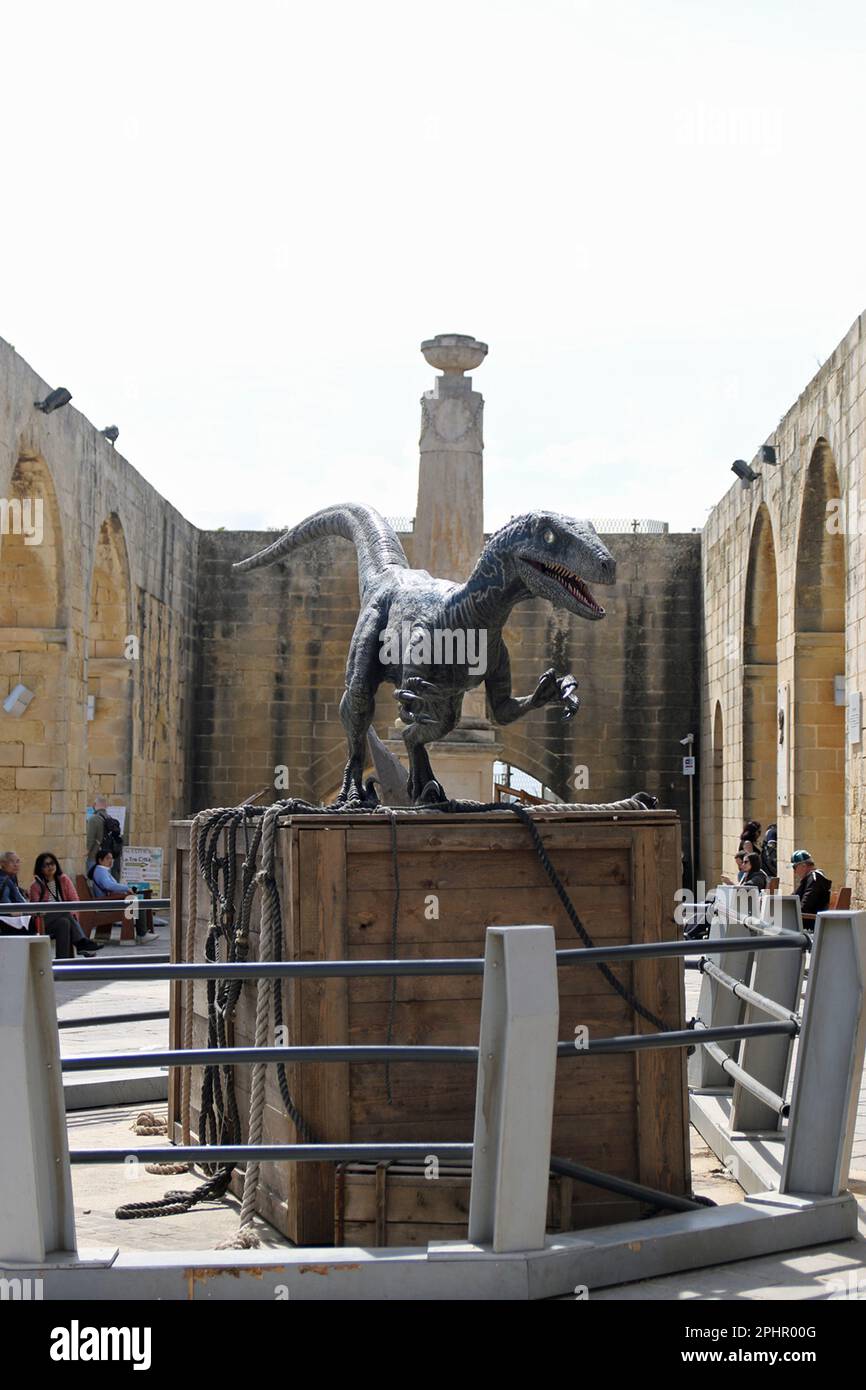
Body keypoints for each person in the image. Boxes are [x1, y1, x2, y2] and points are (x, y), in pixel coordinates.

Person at [30, 853, 103, 958]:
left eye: (52, 863)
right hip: (43, 921)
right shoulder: (36, 886)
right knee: (64, 910)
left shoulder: (64, 880)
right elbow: (35, 910)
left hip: (63, 918)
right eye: (46, 865)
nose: (50, 867)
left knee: (64, 923)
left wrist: (72, 915)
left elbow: (74, 901)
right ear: (40, 869)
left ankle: (62, 961)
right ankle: (81, 943)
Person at [88, 849, 157, 942]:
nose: (110, 861)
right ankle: (142, 934)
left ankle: (142, 932)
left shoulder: (101, 870)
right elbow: (108, 885)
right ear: (100, 860)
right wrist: (126, 888)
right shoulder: (100, 871)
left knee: (135, 900)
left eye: (111, 859)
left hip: (108, 901)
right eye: (107, 858)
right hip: (107, 903)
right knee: (137, 902)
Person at [86, 796, 124, 878]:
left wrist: (86, 852)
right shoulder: (109, 817)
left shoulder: (93, 819)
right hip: (107, 855)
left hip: (95, 855)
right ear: (106, 806)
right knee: (105, 880)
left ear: (94, 804)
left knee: (96, 882)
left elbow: (90, 839)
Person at [791, 849, 832, 925]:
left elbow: (805, 907)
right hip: (806, 920)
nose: (794, 872)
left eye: (794, 868)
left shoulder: (814, 879)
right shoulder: (809, 879)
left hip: (810, 924)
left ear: (803, 866)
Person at [0, 850, 35, 937]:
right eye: (11, 861)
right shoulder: (3, 879)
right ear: (2, 863)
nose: (16, 865)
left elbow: (13, 889)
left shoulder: (11, 876)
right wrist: (15, 911)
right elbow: (5, 900)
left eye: (17, 861)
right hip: (8, 920)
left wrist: (22, 891)